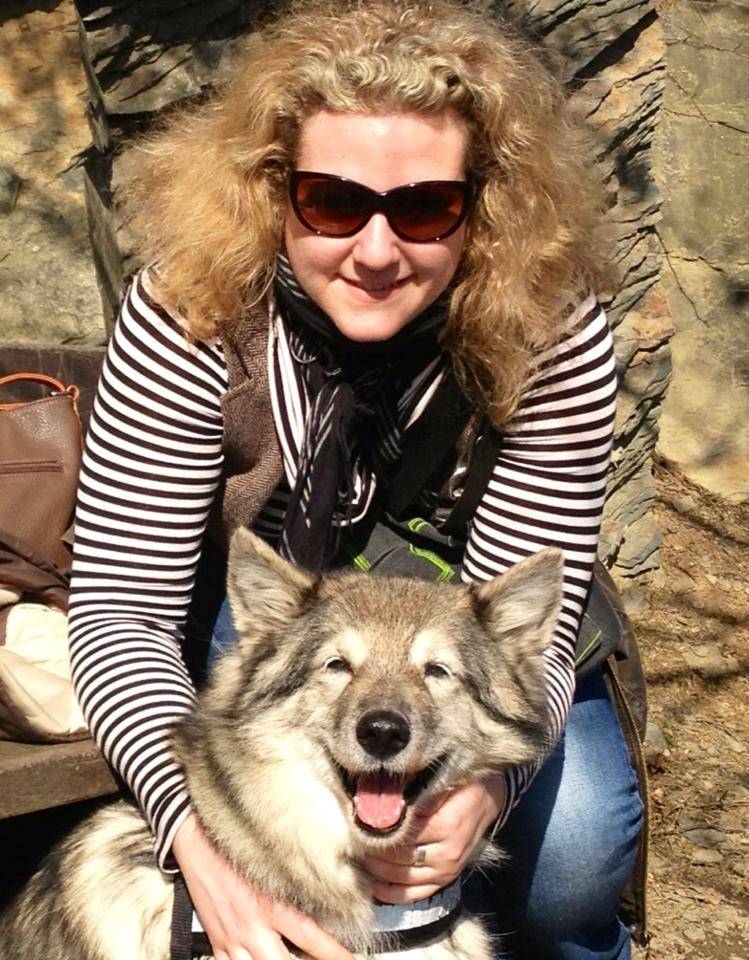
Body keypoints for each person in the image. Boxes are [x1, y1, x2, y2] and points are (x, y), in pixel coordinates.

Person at [67, 2, 643, 958]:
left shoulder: (552, 330)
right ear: (273, 189)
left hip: (464, 627)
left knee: (572, 852)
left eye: (423, 207)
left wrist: (489, 789)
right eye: (333, 203)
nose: (376, 252)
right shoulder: (187, 308)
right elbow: (122, 611)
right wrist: (196, 836)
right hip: (273, 607)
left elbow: (520, 633)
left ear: (484, 205)